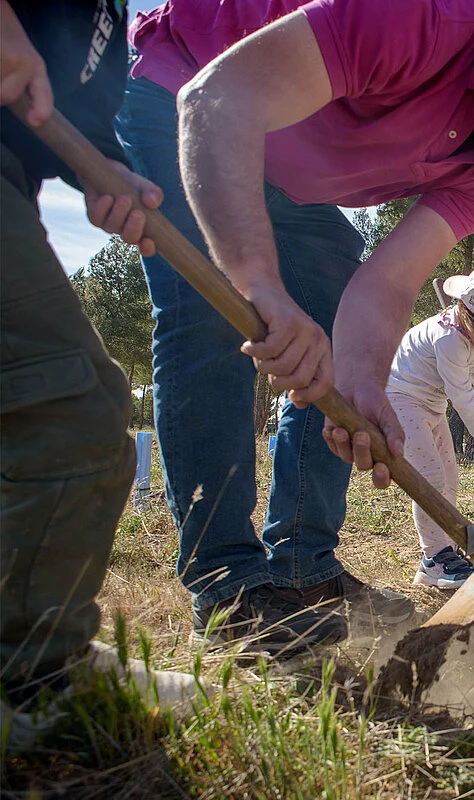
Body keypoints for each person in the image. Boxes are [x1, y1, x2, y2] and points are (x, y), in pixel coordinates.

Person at [114, 0, 474, 653]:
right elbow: (219, 99)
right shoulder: (418, 20)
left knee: (339, 363)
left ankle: (303, 571)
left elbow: (390, 283)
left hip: (286, 179)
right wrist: (260, 286)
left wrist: (364, 387)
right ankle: (229, 587)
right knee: (212, 310)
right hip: (188, 92)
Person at [0, 0, 199, 744]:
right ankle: (31, 675)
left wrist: (100, 171)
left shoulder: (104, 29)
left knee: (72, 402)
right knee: (71, 410)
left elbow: (64, 133)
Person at [387, 260, 474, 590]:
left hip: (432, 405)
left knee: (449, 480)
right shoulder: (448, 339)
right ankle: (434, 558)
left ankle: (443, 552)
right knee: (430, 478)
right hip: (400, 398)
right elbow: (463, 398)